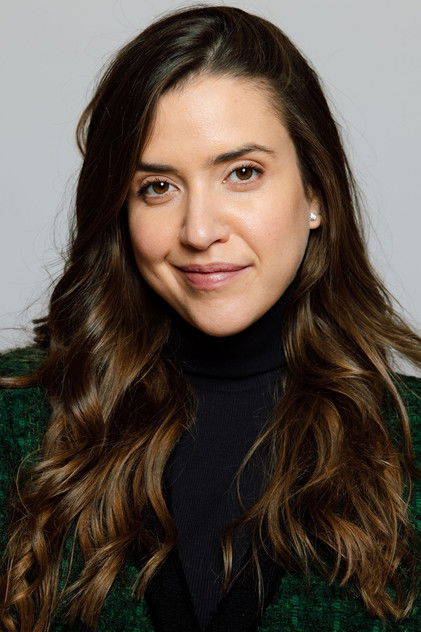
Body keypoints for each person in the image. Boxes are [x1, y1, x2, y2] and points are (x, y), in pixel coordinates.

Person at [0, 4, 420, 632]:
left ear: (316, 193)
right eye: (157, 187)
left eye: (242, 174)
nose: (199, 231)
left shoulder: (409, 441)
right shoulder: (18, 424)